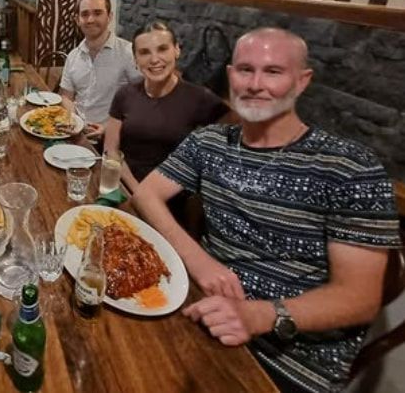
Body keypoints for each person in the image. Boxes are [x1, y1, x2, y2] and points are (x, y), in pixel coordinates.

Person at [133, 28, 400, 393]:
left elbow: (358, 299)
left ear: (302, 81)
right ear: (230, 76)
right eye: (245, 70)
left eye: (273, 72)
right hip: (199, 309)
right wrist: (200, 261)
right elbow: (147, 195)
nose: (255, 84)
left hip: (293, 359)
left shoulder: (349, 168)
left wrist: (261, 314)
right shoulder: (209, 142)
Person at [104, 21, 228, 196]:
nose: (154, 59)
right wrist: (137, 191)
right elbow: (111, 150)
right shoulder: (125, 94)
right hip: (124, 188)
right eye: (144, 52)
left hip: (170, 199)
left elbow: (237, 131)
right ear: (135, 60)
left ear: (176, 50)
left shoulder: (199, 98)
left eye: (162, 49)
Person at [59, 0, 141, 140]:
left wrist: (108, 128)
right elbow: (66, 96)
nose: (90, 19)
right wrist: (73, 120)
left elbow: (146, 100)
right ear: (77, 20)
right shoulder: (73, 56)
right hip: (75, 135)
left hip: (110, 139)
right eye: (85, 14)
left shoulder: (129, 53)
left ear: (109, 17)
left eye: (97, 13)